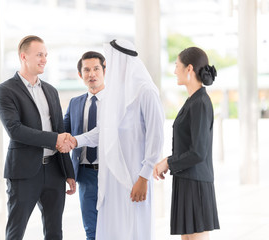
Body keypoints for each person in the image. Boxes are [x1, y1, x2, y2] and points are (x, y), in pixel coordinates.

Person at [59, 39, 165, 240]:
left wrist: (144, 176)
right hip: (112, 179)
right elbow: (103, 131)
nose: (106, 70)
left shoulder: (146, 92)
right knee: (111, 232)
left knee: (134, 230)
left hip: (135, 177)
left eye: (107, 64)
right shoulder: (117, 95)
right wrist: (75, 141)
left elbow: (156, 137)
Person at [0, 35, 76, 240]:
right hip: (24, 172)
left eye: (46, 55)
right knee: (16, 231)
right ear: (24, 56)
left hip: (55, 171)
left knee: (55, 231)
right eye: (39, 54)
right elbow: (15, 129)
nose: (44, 59)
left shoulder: (51, 90)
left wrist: (68, 171)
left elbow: (59, 129)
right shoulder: (5, 90)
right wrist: (54, 139)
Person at [153, 47, 220, 240]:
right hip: (187, 180)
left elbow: (198, 152)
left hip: (196, 182)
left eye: (176, 66)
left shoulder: (199, 103)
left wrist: (168, 162)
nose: (174, 71)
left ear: (189, 68)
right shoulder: (193, 100)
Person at [63, 51, 105, 240]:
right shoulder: (75, 103)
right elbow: (63, 136)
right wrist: (69, 173)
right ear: (80, 75)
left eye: (96, 69)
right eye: (86, 70)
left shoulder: (116, 102)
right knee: (91, 230)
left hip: (110, 173)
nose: (91, 74)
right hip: (85, 174)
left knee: (113, 228)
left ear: (104, 70)